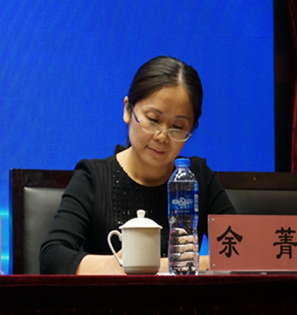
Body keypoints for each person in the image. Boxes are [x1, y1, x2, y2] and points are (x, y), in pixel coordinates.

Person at [39, 56, 236, 275]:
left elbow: (242, 252)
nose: (162, 136)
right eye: (153, 119)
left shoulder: (196, 178)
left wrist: (151, 266)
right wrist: (118, 266)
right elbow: (52, 257)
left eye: (178, 126)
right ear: (127, 110)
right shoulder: (94, 177)